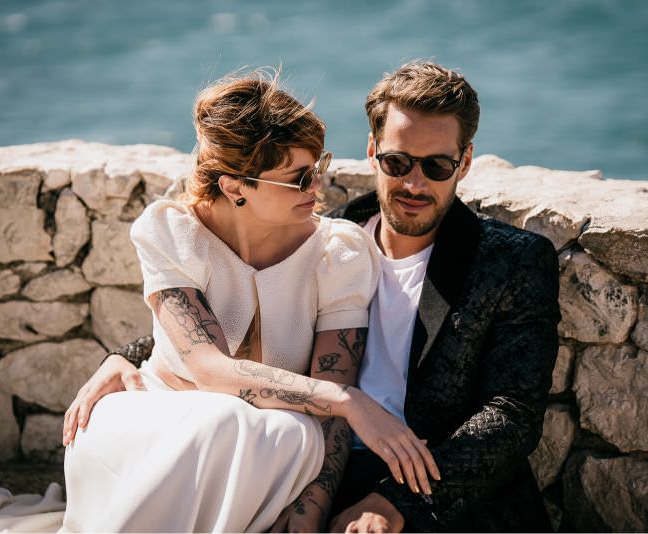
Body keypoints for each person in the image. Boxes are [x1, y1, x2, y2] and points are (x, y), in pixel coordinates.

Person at [65, 60, 560, 532]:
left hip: (427, 486)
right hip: (305, 468)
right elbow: (216, 312)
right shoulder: (331, 236)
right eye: (397, 161)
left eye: (436, 166)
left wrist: (394, 504)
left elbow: (511, 416)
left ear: (465, 161)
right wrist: (124, 355)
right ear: (372, 151)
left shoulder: (509, 262)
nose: (413, 182)